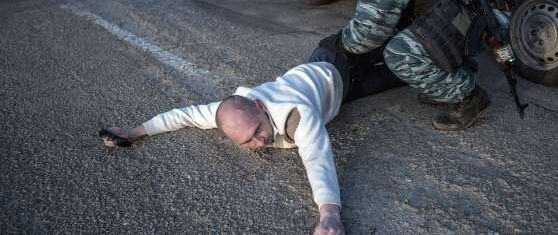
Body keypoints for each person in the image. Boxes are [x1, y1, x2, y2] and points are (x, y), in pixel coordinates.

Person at [100, 47, 405, 235]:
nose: (259, 144)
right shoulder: (234, 112)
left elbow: (317, 160)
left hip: (336, 62)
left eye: (258, 132)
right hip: (340, 91)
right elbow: (185, 115)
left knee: (389, 47)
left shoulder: (297, 116)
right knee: (395, 75)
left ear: (260, 107)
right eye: (246, 141)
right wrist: (136, 131)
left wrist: (330, 215)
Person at [320, 0, 507, 131]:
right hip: (476, 3)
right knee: (399, 25)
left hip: (472, 17)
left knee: (400, 54)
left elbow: (370, 31)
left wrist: (340, 42)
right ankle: (452, 71)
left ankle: (469, 96)